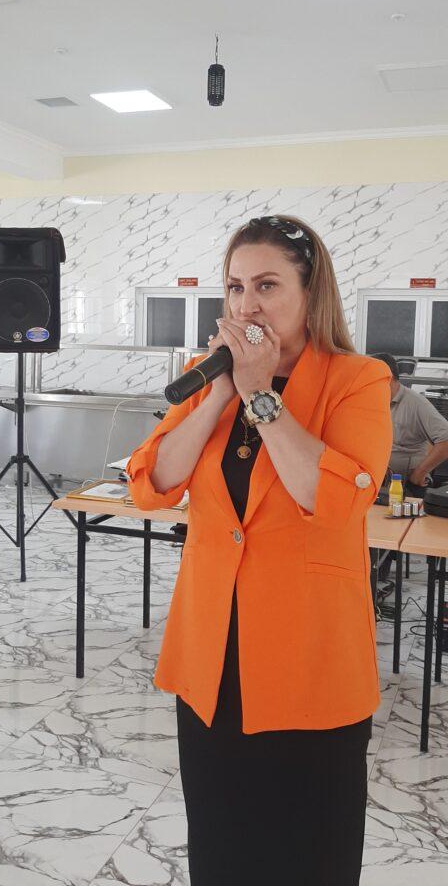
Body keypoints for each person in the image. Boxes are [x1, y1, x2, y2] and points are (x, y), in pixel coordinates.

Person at [127, 214, 392, 886]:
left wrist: (261, 396)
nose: (247, 305)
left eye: (267, 285)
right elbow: (152, 484)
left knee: (312, 858)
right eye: (236, 287)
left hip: (312, 665)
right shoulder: (209, 379)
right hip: (213, 661)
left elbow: (332, 501)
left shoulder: (357, 379)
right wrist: (221, 390)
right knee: (223, 851)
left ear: (310, 293)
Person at [371, 351, 448, 583]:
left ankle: (377, 578)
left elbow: (445, 439)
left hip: (406, 482)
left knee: (383, 525)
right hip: (375, 477)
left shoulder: (415, 403)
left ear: (388, 379)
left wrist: (420, 472)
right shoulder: (369, 400)